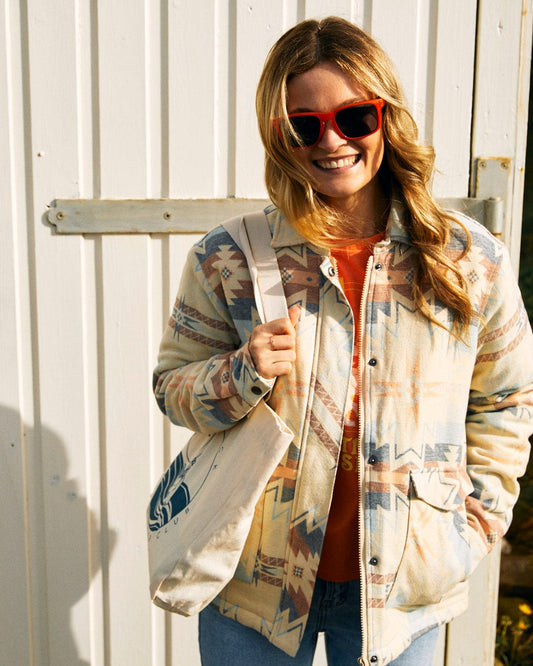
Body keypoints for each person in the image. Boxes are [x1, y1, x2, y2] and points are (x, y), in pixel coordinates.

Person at [153, 16, 533, 666]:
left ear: (385, 116)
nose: (329, 140)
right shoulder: (230, 257)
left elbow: (505, 403)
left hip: (404, 587)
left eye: (353, 118)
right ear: (280, 136)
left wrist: (471, 530)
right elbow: (172, 389)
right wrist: (240, 372)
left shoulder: (467, 258)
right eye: (304, 125)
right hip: (256, 583)